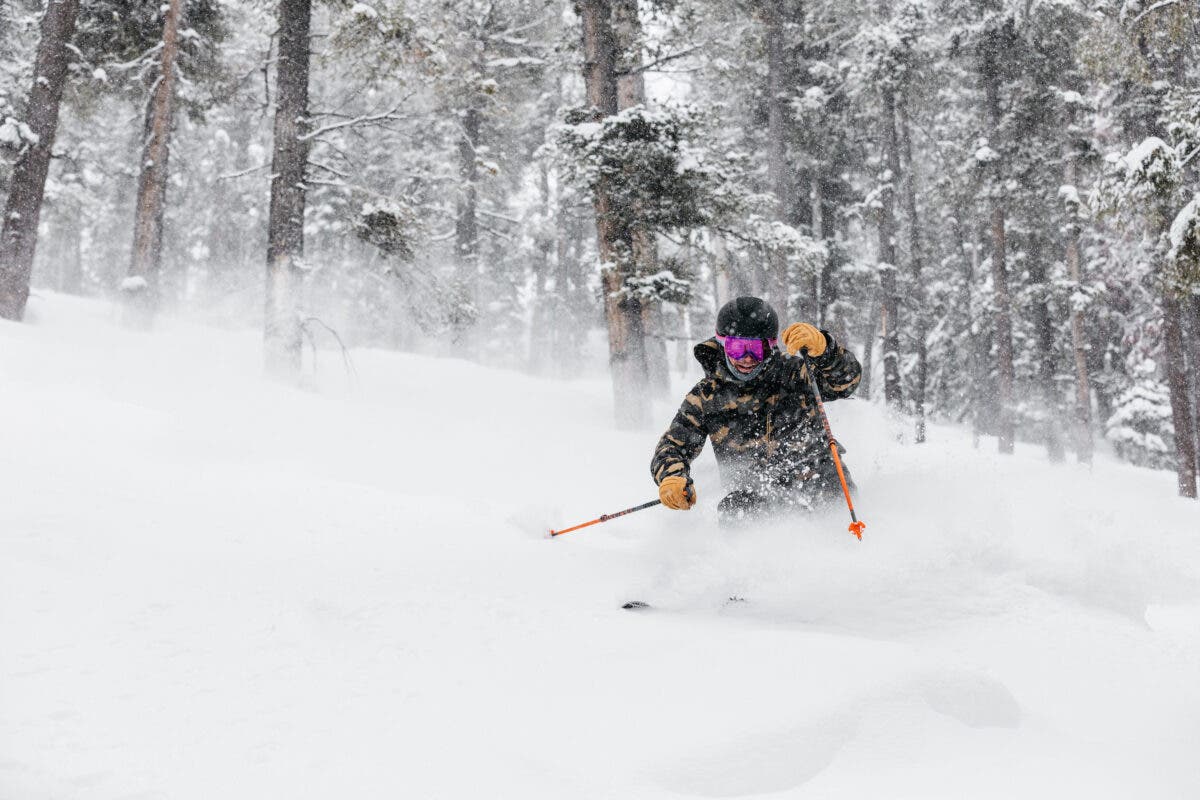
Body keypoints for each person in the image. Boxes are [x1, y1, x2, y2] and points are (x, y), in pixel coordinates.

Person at [650, 296, 862, 525]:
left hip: (818, 481)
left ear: (770, 346)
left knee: (831, 506)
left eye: (756, 349)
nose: (747, 359)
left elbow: (844, 382)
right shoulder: (707, 396)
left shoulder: (793, 374)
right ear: (722, 344)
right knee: (735, 509)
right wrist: (672, 476)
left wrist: (826, 352)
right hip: (755, 497)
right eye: (737, 348)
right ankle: (740, 559)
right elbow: (672, 446)